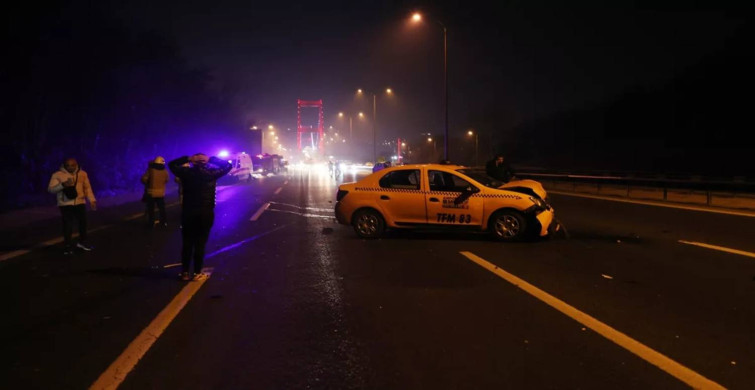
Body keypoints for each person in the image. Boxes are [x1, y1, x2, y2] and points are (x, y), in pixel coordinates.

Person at [168, 153, 232, 281]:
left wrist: (188, 158)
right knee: (200, 243)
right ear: (205, 162)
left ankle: (185, 272)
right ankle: (197, 273)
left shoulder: (186, 173)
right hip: (205, 212)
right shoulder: (212, 173)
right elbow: (227, 166)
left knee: (187, 243)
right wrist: (212, 159)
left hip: (188, 212)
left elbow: (171, 164)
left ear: (193, 162)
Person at [47, 157, 97, 255]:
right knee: (68, 225)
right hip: (65, 204)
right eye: (68, 165)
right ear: (64, 165)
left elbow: (87, 188)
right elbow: (50, 189)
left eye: (72, 165)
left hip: (80, 202)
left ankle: (82, 242)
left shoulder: (83, 174)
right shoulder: (57, 175)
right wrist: (62, 185)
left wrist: (92, 200)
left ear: (76, 164)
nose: (70, 167)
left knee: (83, 223)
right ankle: (67, 246)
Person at [142, 156, 169, 228]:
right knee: (162, 208)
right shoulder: (165, 171)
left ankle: (151, 223)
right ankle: (163, 222)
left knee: (151, 209)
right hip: (161, 193)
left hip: (151, 192)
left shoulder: (151, 170)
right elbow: (167, 180)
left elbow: (144, 179)